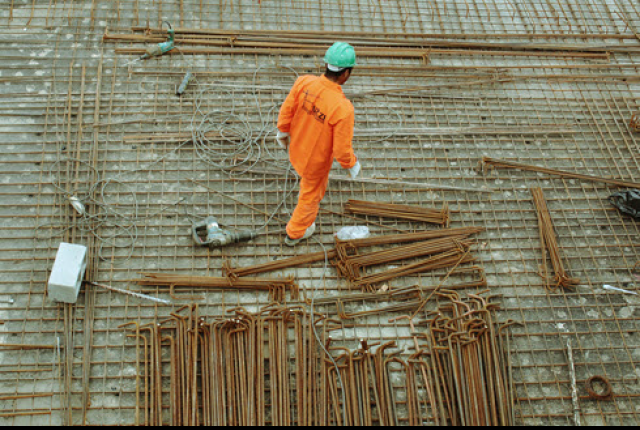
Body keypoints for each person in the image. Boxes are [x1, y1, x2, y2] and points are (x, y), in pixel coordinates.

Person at [276, 42, 362, 247]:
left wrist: (282, 131)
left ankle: (298, 227)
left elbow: (286, 110)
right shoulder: (343, 109)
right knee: (310, 195)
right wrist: (351, 164)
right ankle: (295, 232)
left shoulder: (304, 82)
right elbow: (342, 150)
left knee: (305, 182)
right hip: (314, 163)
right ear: (346, 74)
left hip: (296, 148)